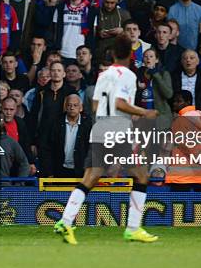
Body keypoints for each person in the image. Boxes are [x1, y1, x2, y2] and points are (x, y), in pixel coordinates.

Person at [54, 34, 159, 245]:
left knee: (91, 178)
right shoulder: (127, 75)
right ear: (130, 54)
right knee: (141, 176)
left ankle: (65, 221)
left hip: (100, 127)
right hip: (118, 129)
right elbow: (119, 102)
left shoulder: (103, 75)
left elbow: (94, 105)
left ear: (112, 54)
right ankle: (133, 228)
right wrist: (141, 112)